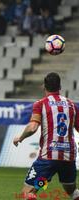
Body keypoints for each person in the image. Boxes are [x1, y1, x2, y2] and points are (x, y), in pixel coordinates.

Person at [13, 72, 79, 200]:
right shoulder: (72, 105)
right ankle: (45, 181)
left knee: (28, 193)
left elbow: (32, 127)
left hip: (49, 157)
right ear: (60, 87)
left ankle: (42, 184)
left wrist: (20, 137)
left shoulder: (41, 104)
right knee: (71, 191)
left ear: (44, 86)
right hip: (68, 156)